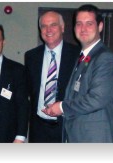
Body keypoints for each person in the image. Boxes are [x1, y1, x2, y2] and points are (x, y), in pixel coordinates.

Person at [42, 4, 113, 143]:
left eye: (89, 24)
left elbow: (97, 99)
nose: (83, 29)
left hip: (94, 138)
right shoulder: (83, 57)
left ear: (100, 26)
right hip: (77, 136)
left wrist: (61, 107)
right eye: (79, 24)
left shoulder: (104, 58)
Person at [25, 11, 80, 143]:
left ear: (62, 27)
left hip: (66, 125)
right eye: (44, 26)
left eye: (53, 25)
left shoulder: (77, 55)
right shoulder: (31, 56)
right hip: (38, 127)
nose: (48, 30)